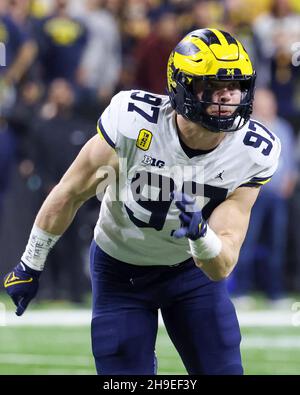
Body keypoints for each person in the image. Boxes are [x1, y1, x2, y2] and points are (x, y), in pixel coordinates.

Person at [3, 28, 280, 375]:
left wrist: (201, 235)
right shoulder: (134, 121)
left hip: (190, 275)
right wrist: (31, 262)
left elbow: (220, 265)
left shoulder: (252, 151)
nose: (227, 97)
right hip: (120, 268)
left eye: (236, 86)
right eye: (213, 86)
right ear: (181, 86)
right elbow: (70, 191)